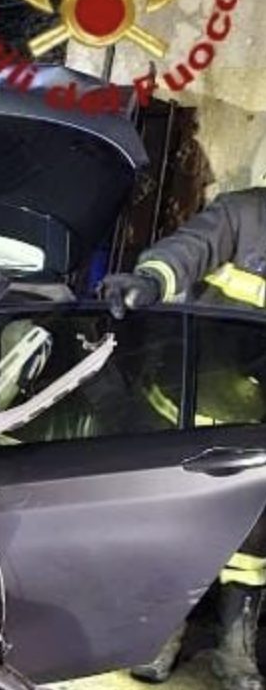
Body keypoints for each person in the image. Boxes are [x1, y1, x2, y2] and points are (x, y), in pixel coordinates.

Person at [101, 187, 266, 690]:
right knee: (174, 533)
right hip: (188, 408)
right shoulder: (246, 212)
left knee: (253, 545)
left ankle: (235, 651)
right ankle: (159, 635)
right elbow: (188, 250)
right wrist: (149, 282)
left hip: (259, 436)